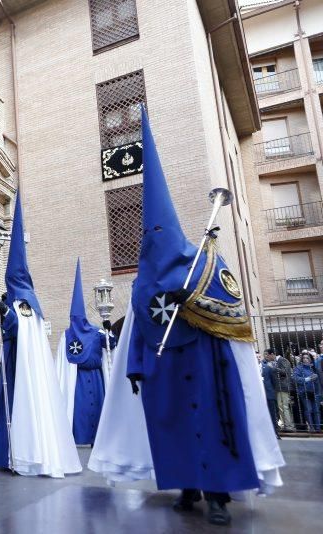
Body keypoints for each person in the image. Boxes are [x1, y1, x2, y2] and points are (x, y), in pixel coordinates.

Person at [88, 109, 284, 527]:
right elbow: (138, 328)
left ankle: (218, 496)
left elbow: (232, 309)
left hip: (208, 364)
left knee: (214, 429)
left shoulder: (203, 264)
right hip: (164, 370)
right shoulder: (143, 282)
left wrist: (192, 298)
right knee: (173, 432)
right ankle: (186, 486)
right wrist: (137, 370)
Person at [0, 188, 82, 478]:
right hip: (16, 363)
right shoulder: (29, 301)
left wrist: (5, 311)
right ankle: (7, 455)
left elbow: (19, 327)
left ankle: (25, 454)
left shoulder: (25, 303)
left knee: (19, 407)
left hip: (22, 370)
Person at [56, 259, 114, 447]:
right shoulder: (67, 336)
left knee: (98, 407)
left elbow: (111, 345)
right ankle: (78, 437)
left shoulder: (97, 331)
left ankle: (98, 439)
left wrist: (108, 330)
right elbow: (63, 362)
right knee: (79, 409)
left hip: (96, 378)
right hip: (77, 380)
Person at [292, 353, 321, 432]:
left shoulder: (314, 368)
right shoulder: (299, 368)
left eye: (307, 358)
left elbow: (318, 382)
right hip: (304, 392)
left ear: (310, 359)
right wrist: (307, 379)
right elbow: (294, 378)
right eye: (304, 358)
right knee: (309, 409)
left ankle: (318, 427)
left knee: (316, 410)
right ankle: (311, 427)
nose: (305, 359)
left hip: (315, 392)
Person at [274, 348, 295, 432]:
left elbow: (285, 372)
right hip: (280, 387)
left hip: (283, 387)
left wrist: (274, 368)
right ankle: (286, 425)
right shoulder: (279, 361)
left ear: (273, 354)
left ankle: (289, 426)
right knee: (281, 406)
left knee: (284, 406)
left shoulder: (282, 360)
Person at [261, 350, 280, 437]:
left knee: (272, 414)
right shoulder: (252, 369)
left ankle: (275, 432)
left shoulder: (268, 368)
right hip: (259, 396)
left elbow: (274, 381)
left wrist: (272, 391)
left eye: (258, 356)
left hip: (269, 394)